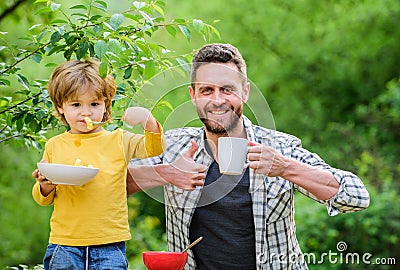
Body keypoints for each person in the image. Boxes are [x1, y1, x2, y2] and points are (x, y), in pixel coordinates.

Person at [127, 43, 370, 269]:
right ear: (193, 95)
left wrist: (285, 168)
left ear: (245, 92)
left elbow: (356, 197)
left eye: (227, 90)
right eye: (207, 90)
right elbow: (114, 184)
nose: (217, 100)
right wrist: (165, 172)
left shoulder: (280, 147)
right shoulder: (174, 146)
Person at [31, 59, 164, 270]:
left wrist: (147, 120)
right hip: (65, 243)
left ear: (105, 105)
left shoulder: (120, 140)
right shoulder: (54, 145)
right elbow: (43, 198)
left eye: (94, 104)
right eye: (76, 104)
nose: (86, 113)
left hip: (109, 244)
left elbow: (154, 149)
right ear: (60, 107)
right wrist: (45, 185)